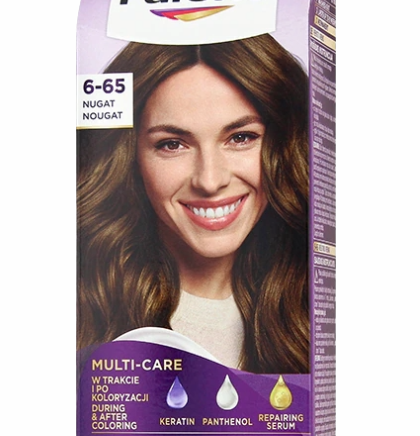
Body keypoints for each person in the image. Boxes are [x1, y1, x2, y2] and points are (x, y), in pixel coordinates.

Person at [77, 34, 309, 374]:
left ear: (285, 146)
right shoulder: (82, 309)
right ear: (130, 157)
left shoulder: (314, 305)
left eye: (241, 138)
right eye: (172, 144)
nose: (210, 180)